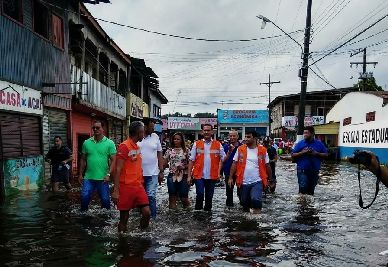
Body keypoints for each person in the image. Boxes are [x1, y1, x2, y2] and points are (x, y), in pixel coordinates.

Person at [112, 121, 150, 231]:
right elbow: (117, 169)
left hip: (138, 186)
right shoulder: (124, 147)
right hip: (126, 187)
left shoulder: (137, 147)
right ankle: (122, 239)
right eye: (143, 132)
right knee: (124, 218)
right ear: (138, 133)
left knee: (147, 213)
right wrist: (116, 190)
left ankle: (141, 234)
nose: (144, 134)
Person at [229, 130, 271, 213]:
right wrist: (230, 177)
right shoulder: (240, 149)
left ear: (255, 138)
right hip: (243, 181)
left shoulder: (262, 150)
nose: (245, 139)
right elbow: (234, 163)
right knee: (244, 203)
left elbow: (267, 165)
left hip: (257, 181)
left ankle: (257, 219)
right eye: (245, 137)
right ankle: (247, 221)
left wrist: (271, 179)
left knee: (256, 199)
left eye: (248, 137)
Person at [78, 121, 116, 211]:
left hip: (103, 178)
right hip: (88, 177)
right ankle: (83, 218)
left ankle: (105, 219)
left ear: (103, 129)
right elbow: (83, 159)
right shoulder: (86, 143)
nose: (95, 129)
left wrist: (109, 175)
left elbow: (114, 160)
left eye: (97, 128)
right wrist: (80, 174)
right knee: (84, 198)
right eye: (93, 128)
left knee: (105, 200)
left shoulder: (110, 143)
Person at [187, 124, 226, 211]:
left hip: (212, 175)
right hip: (198, 175)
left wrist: (230, 152)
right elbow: (191, 160)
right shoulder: (196, 144)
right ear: (202, 132)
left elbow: (223, 159)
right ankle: (198, 213)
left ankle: (208, 216)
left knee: (209, 197)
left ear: (212, 132)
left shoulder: (218, 144)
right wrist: (189, 176)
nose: (206, 132)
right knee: (200, 194)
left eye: (208, 130)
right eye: (205, 130)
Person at [138, 118, 164, 219]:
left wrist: (161, 171)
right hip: (139, 174)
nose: (153, 129)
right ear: (144, 127)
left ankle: (152, 218)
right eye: (151, 127)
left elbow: (159, 153)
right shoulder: (136, 138)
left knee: (151, 196)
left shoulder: (155, 137)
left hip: (153, 173)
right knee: (140, 197)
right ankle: (141, 216)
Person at [291, 126, 328, 196]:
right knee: (303, 189)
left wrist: (316, 153)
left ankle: (310, 206)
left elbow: (326, 155)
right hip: (302, 170)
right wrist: (302, 152)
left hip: (314, 171)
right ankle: (302, 205)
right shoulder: (300, 144)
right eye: (304, 133)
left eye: (306, 133)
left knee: (311, 191)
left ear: (312, 134)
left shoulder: (319, 144)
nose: (305, 135)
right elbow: (292, 155)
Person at [163, 132, 190, 209]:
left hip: (184, 175)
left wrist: (184, 167)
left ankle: (187, 214)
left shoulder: (186, 150)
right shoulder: (169, 150)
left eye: (178, 139)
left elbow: (191, 164)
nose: (176, 141)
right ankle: (173, 217)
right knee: (172, 197)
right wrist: (161, 170)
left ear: (182, 140)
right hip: (172, 175)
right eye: (174, 139)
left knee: (184, 198)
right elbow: (164, 162)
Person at [222, 130, 241, 207]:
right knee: (229, 192)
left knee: (241, 192)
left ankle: (242, 206)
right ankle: (229, 209)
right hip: (228, 172)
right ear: (228, 137)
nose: (232, 137)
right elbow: (222, 160)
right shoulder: (225, 147)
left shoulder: (242, 147)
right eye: (231, 136)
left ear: (237, 136)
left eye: (234, 136)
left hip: (240, 172)